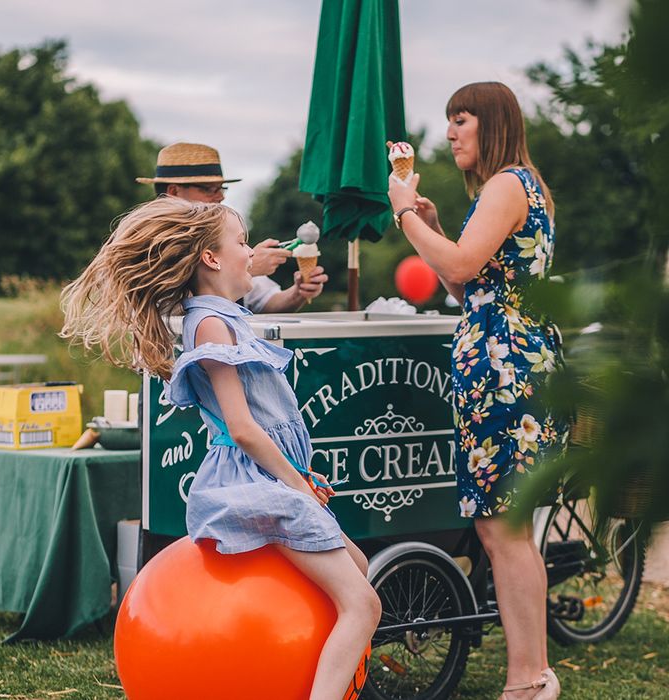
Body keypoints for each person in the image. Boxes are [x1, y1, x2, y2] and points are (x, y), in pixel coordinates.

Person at [59, 197, 380, 700]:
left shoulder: (225, 316)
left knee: (359, 567)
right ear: (212, 259)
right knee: (363, 604)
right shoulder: (211, 324)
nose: (249, 252)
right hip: (251, 484)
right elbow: (244, 428)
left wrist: (299, 476)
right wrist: (295, 485)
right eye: (242, 241)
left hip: (268, 476)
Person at [388, 82, 567, 700]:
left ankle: (528, 680)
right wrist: (436, 227)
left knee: (504, 529)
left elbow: (462, 270)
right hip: (509, 366)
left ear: (490, 123)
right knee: (504, 529)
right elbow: (473, 287)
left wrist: (405, 211)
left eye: (460, 120)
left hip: (505, 373)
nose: (450, 133)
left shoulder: (507, 184)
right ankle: (535, 674)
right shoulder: (523, 186)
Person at [136, 141, 328, 312]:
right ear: (173, 191)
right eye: (209, 189)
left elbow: (266, 301)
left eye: (222, 188)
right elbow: (162, 305)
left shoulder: (221, 233)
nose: (221, 196)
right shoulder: (145, 241)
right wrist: (245, 269)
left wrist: (299, 292)